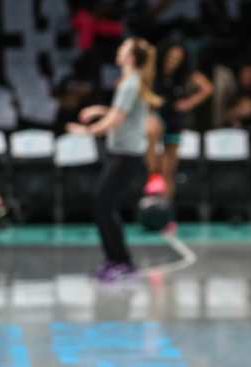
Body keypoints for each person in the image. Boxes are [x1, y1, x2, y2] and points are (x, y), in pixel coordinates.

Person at [67, 36, 162, 282]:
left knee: (103, 205)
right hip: (123, 154)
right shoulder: (130, 82)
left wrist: (86, 131)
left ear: (130, 57)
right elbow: (121, 114)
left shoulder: (130, 83)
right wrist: (99, 110)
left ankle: (122, 261)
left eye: (123, 48)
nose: (119, 50)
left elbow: (115, 121)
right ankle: (115, 259)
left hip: (125, 155)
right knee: (104, 206)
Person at [144, 39, 213, 200]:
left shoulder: (186, 74)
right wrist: (152, 101)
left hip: (174, 120)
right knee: (151, 130)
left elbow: (208, 88)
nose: (174, 62)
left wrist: (188, 103)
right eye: (171, 57)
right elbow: (142, 89)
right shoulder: (153, 71)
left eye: (178, 59)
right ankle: (153, 174)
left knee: (169, 171)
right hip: (157, 115)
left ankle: (166, 211)